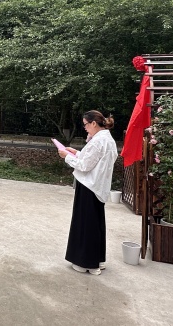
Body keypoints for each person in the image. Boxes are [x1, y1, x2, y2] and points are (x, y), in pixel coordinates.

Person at [58, 110, 117, 276]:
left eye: (85, 124)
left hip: (89, 185)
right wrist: (75, 152)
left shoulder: (98, 141)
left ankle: (86, 262)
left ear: (94, 123)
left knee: (86, 225)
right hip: (97, 186)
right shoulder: (107, 139)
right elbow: (91, 159)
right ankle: (97, 260)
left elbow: (85, 165)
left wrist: (66, 157)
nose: (85, 128)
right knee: (95, 224)